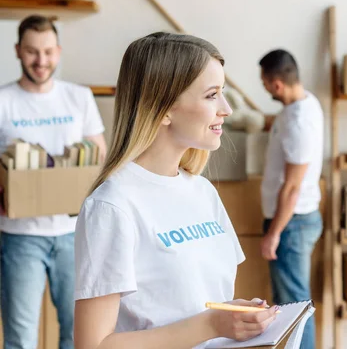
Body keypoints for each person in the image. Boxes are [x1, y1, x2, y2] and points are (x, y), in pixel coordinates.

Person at [73, 32, 278, 349]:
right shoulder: (113, 205)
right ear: (165, 109)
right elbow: (93, 345)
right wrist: (210, 325)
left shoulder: (203, 192)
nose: (226, 109)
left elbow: (202, 301)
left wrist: (237, 318)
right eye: (212, 95)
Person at [0, 15, 106, 349]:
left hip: (74, 234)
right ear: (17, 50)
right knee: (20, 336)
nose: (41, 61)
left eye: (47, 52)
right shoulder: (3, 101)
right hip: (19, 237)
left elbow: (99, 155)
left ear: (58, 51)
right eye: (32, 51)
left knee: (79, 334)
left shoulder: (78, 97)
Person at [259, 49, 324, 349]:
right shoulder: (304, 103)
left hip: (291, 223)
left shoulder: (298, 121)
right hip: (295, 220)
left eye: (264, 83)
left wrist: (274, 234)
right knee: (290, 305)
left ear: (276, 85)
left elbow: (292, 187)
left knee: (295, 309)